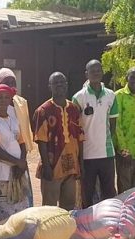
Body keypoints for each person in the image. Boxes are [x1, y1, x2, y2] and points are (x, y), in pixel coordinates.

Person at [33, 72, 84, 209]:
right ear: (50, 87)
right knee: (49, 208)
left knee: (68, 206)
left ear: (67, 85)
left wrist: (80, 162)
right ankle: (49, 232)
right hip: (52, 164)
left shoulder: (74, 109)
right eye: (55, 83)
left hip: (71, 165)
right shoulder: (43, 111)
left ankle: (65, 231)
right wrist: (47, 166)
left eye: (62, 82)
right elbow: (41, 140)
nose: (59, 85)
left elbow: (80, 137)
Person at [73, 59, 119, 207]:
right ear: (86, 74)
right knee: (87, 193)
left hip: (106, 154)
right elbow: (75, 127)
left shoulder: (111, 96)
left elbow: (112, 125)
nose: (96, 73)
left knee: (109, 192)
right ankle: (88, 226)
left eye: (98, 70)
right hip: (87, 155)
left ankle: (109, 223)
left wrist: (106, 141)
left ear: (102, 72)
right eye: (92, 71)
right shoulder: (79, 97)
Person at [0, 84, 30, 223]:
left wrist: (22, 163)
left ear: (10, 99)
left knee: (20, 211)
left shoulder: (14, 120)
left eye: (6, 97)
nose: (3, 100)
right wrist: (18, 163)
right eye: (0, 97)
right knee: (3, 214)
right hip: (2, 173)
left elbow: (22, 143)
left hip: (19, 171)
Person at [0, 68, 39, 164]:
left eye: (13, 82)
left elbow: (25, 128)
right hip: (1, 155)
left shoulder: (21, 102)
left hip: (20, 152)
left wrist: (22, 158)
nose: (11, 85)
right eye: (7, 82)